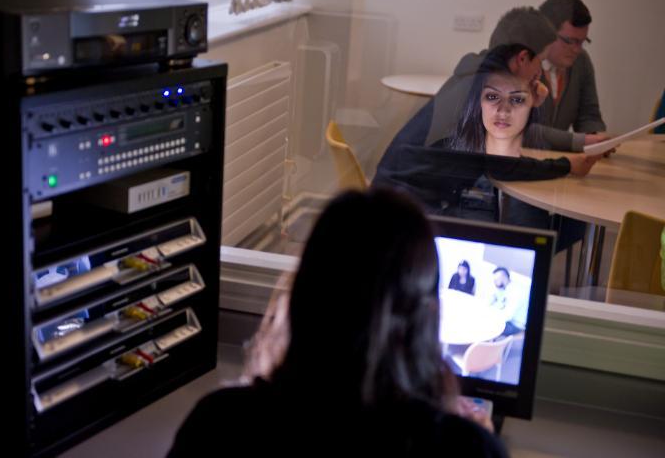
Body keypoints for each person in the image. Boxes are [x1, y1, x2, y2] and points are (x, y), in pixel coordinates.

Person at [167, 189, 508, 457]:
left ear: (301, 297)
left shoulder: (218, 424)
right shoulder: (466, 448)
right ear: (425, 320)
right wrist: (479, 441)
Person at [373, 44, 601, 237]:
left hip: (398, 193)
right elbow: (504, 165)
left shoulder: (474, 79)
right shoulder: (484, 90)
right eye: (537, 69)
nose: (539, 77)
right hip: (409, 208)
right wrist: (566, 165)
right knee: (548, 230)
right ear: (522, 58)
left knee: (532, 220)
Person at [537, 0, 607, 150]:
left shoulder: (581, 61)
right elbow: (521, 129)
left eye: (582, 42)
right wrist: (580, 141)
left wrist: (596, 140)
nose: (577, 50)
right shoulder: (522, 61)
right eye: (570, 41)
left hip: (558, 160)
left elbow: (588, 114)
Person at [490, 267, 527, 336]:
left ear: (503, 277)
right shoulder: (510, 288)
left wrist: (492, 316)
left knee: (488, 325)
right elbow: (500, 304)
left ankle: (489, 345)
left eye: (496, 280)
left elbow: (507, 316)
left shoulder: (515, 291)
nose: (495, 283)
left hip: (516, 325)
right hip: (512, 321)